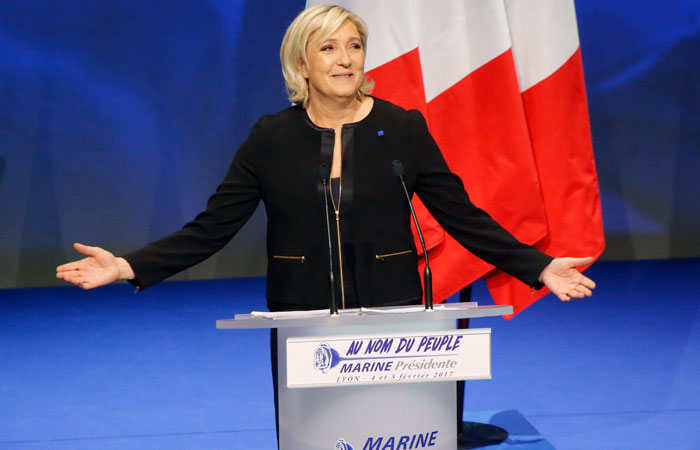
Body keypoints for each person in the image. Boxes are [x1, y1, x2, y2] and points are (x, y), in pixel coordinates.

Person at [57, 3, 595, 443]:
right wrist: (128, 266)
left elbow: (461, 215)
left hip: (395, 316)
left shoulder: (401, 128)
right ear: (302, 63)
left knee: (396, 434)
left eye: (354, 46)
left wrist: (538, 266)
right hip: (303, 315)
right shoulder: (271, 137)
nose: (345, 60)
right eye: (329, 48)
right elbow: (212, 228)